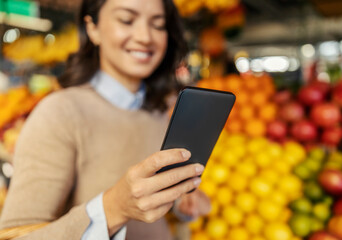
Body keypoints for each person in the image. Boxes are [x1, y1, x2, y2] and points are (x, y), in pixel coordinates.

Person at [0, 0, 211, 239]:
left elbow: (150, 211)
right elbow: (12, 236)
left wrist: (180, 203)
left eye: (158, 25)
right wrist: (113, 208)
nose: (145, 36)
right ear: (92, 28)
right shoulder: (59, 113)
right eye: (126, 20)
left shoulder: (163, 110)